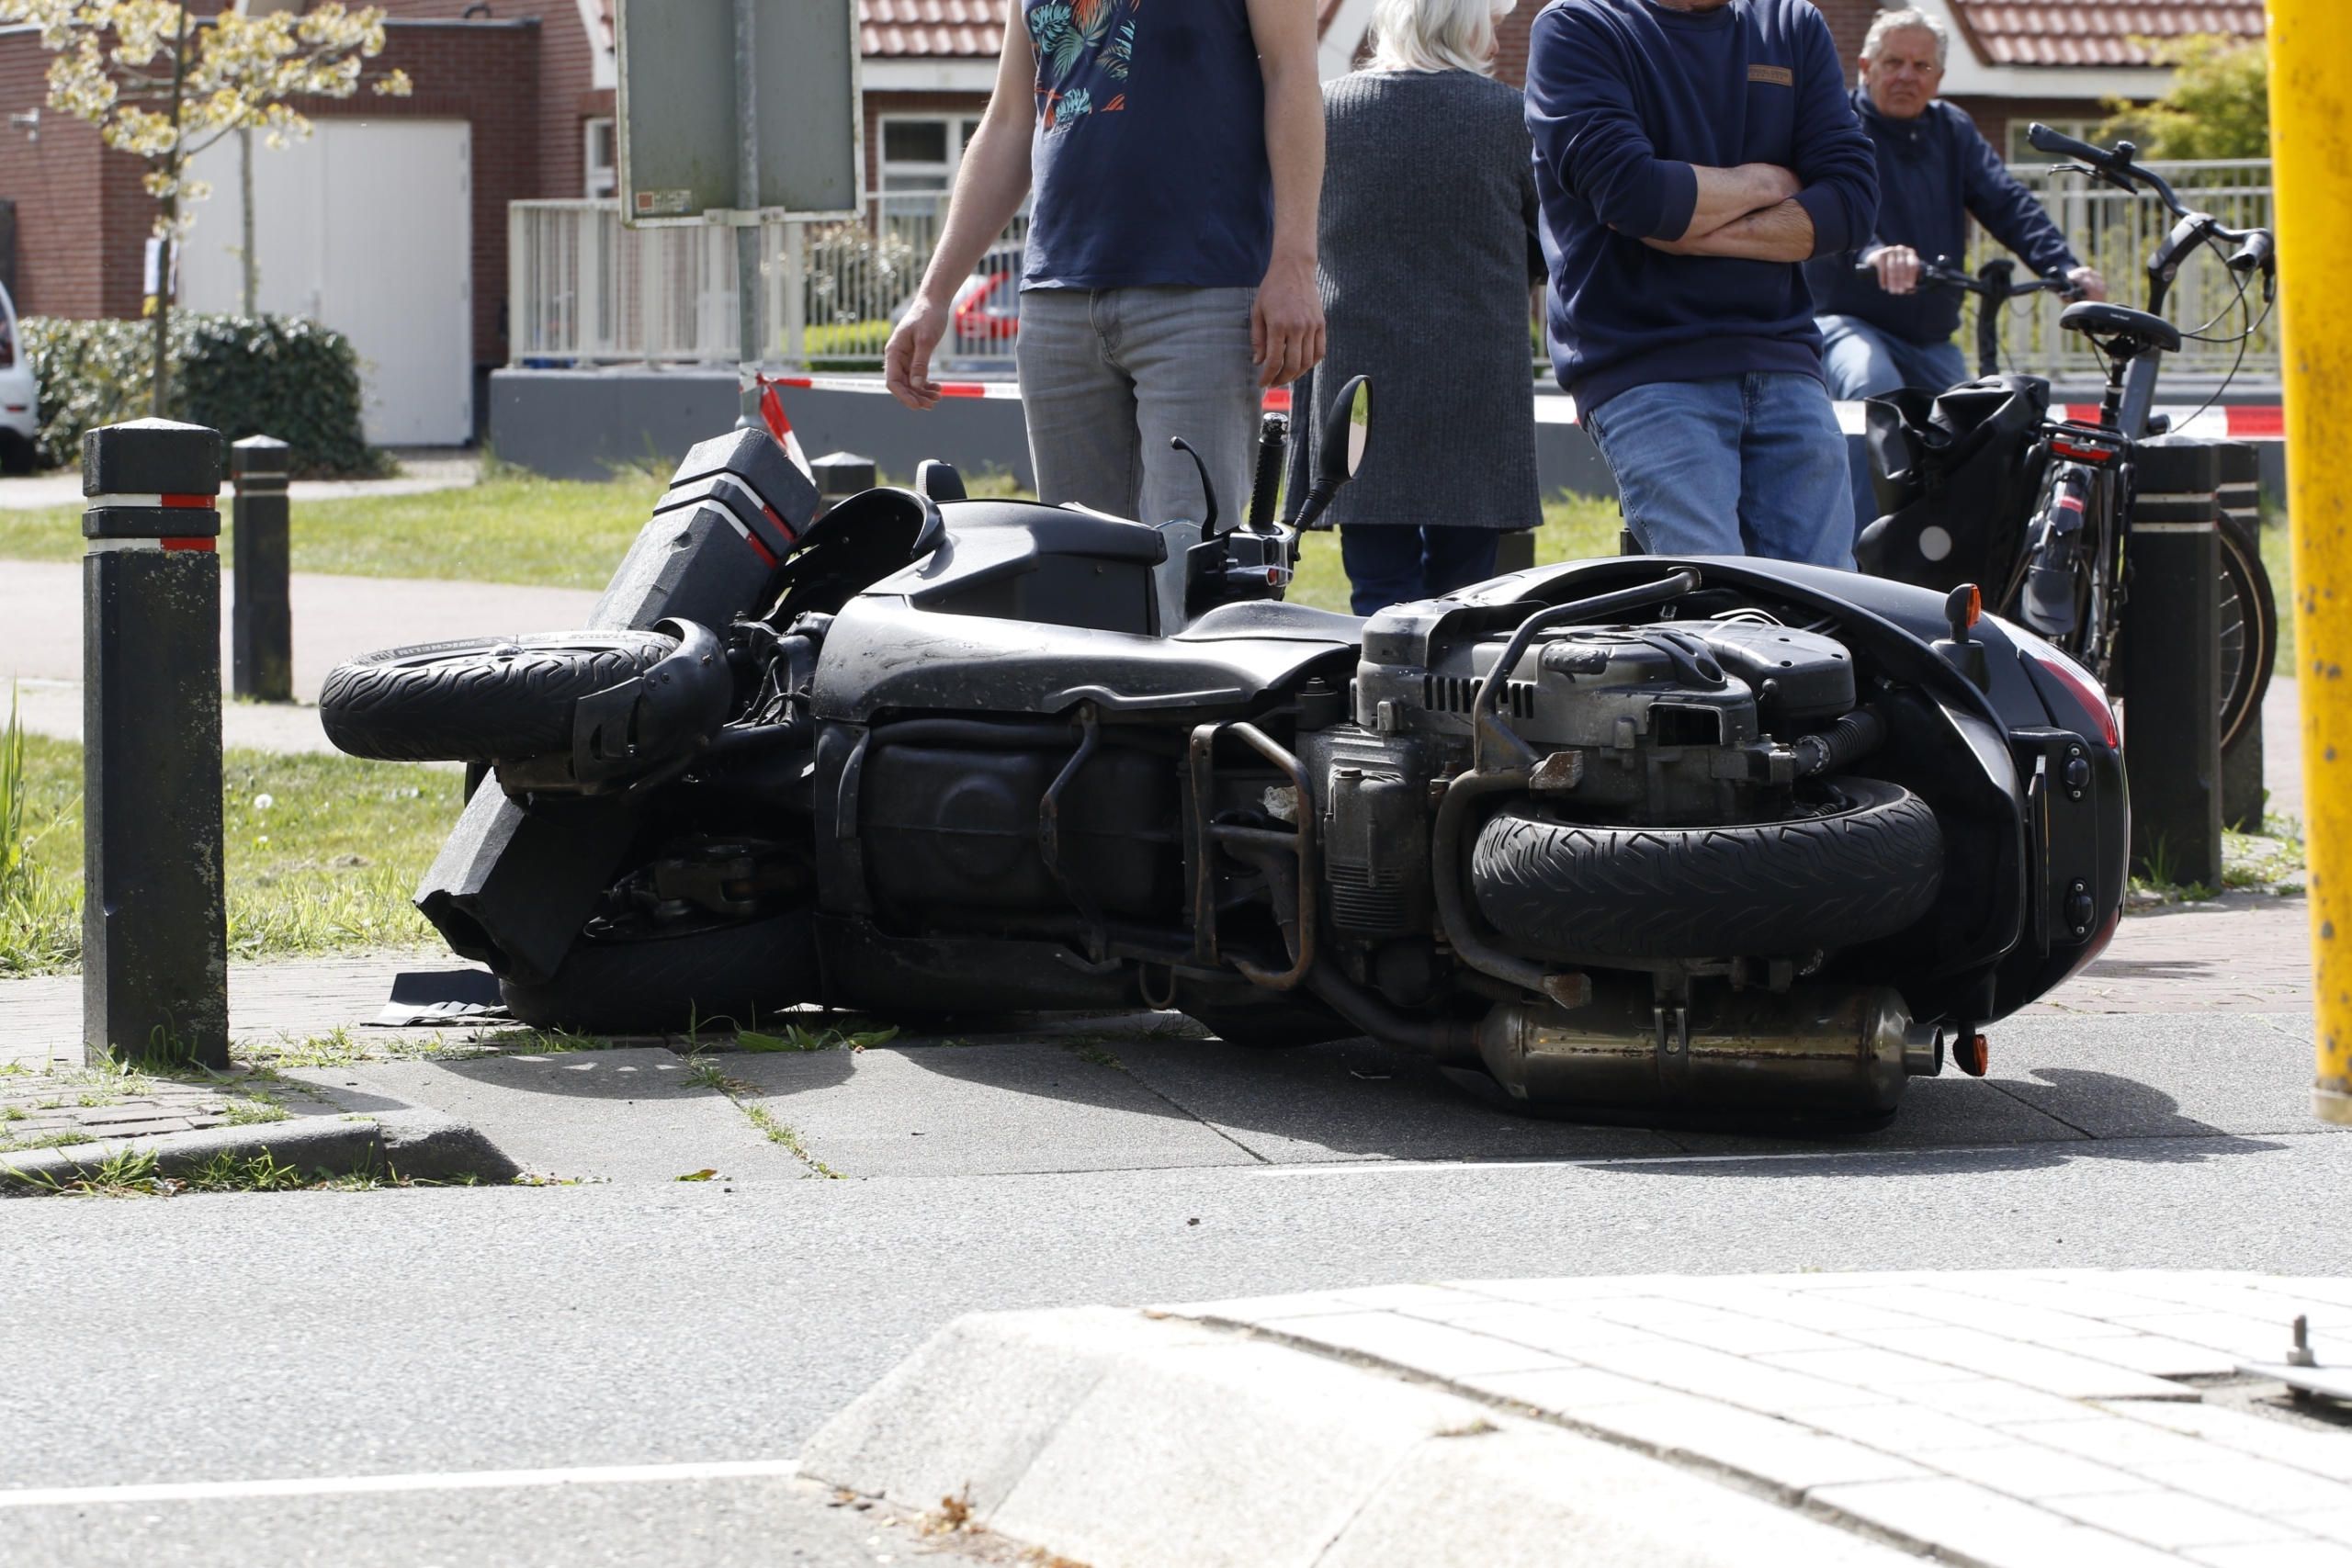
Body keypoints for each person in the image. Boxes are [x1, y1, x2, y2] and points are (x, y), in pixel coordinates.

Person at [883, 0, 1327, 538]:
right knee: (1077, 574)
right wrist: (933, 295)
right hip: (1056, 306)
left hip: (1199, 293)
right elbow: (1008, 122)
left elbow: (1293, 74)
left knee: (1189, 570)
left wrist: (1296, 261)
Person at [1523, 0, 1878, 568]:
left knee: (1833, 607)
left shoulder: (1791, 24)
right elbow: (1635, 194)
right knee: (1715, 603)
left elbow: (1854, 204)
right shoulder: (1579, 25)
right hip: (1645, 361)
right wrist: (1769, 181)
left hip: (1783, 357)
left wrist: (1689, 224)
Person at [1295, 0, 1544, 615]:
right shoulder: (1512, 119)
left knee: (1378, 593)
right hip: (1476, 389)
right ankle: (1450, 710)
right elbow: (1542, 249)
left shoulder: (1327, 111)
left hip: (1360, 389)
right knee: (1468, 601)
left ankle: (1382, 706)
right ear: (1467, 25)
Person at [1810, 7, 2106, 406]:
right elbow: (1834, 202)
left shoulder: (1953, 129)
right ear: (1866, 67)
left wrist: (2064, 267)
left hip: (1931, 338)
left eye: (1921, 65)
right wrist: (1874, 253)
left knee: (1974, 425)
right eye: (1894, 62)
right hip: (1847, 321)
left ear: (1939, 78)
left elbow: (2007, 203)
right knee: (1873, 390)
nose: (1906, 76)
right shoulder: (1839, 124)